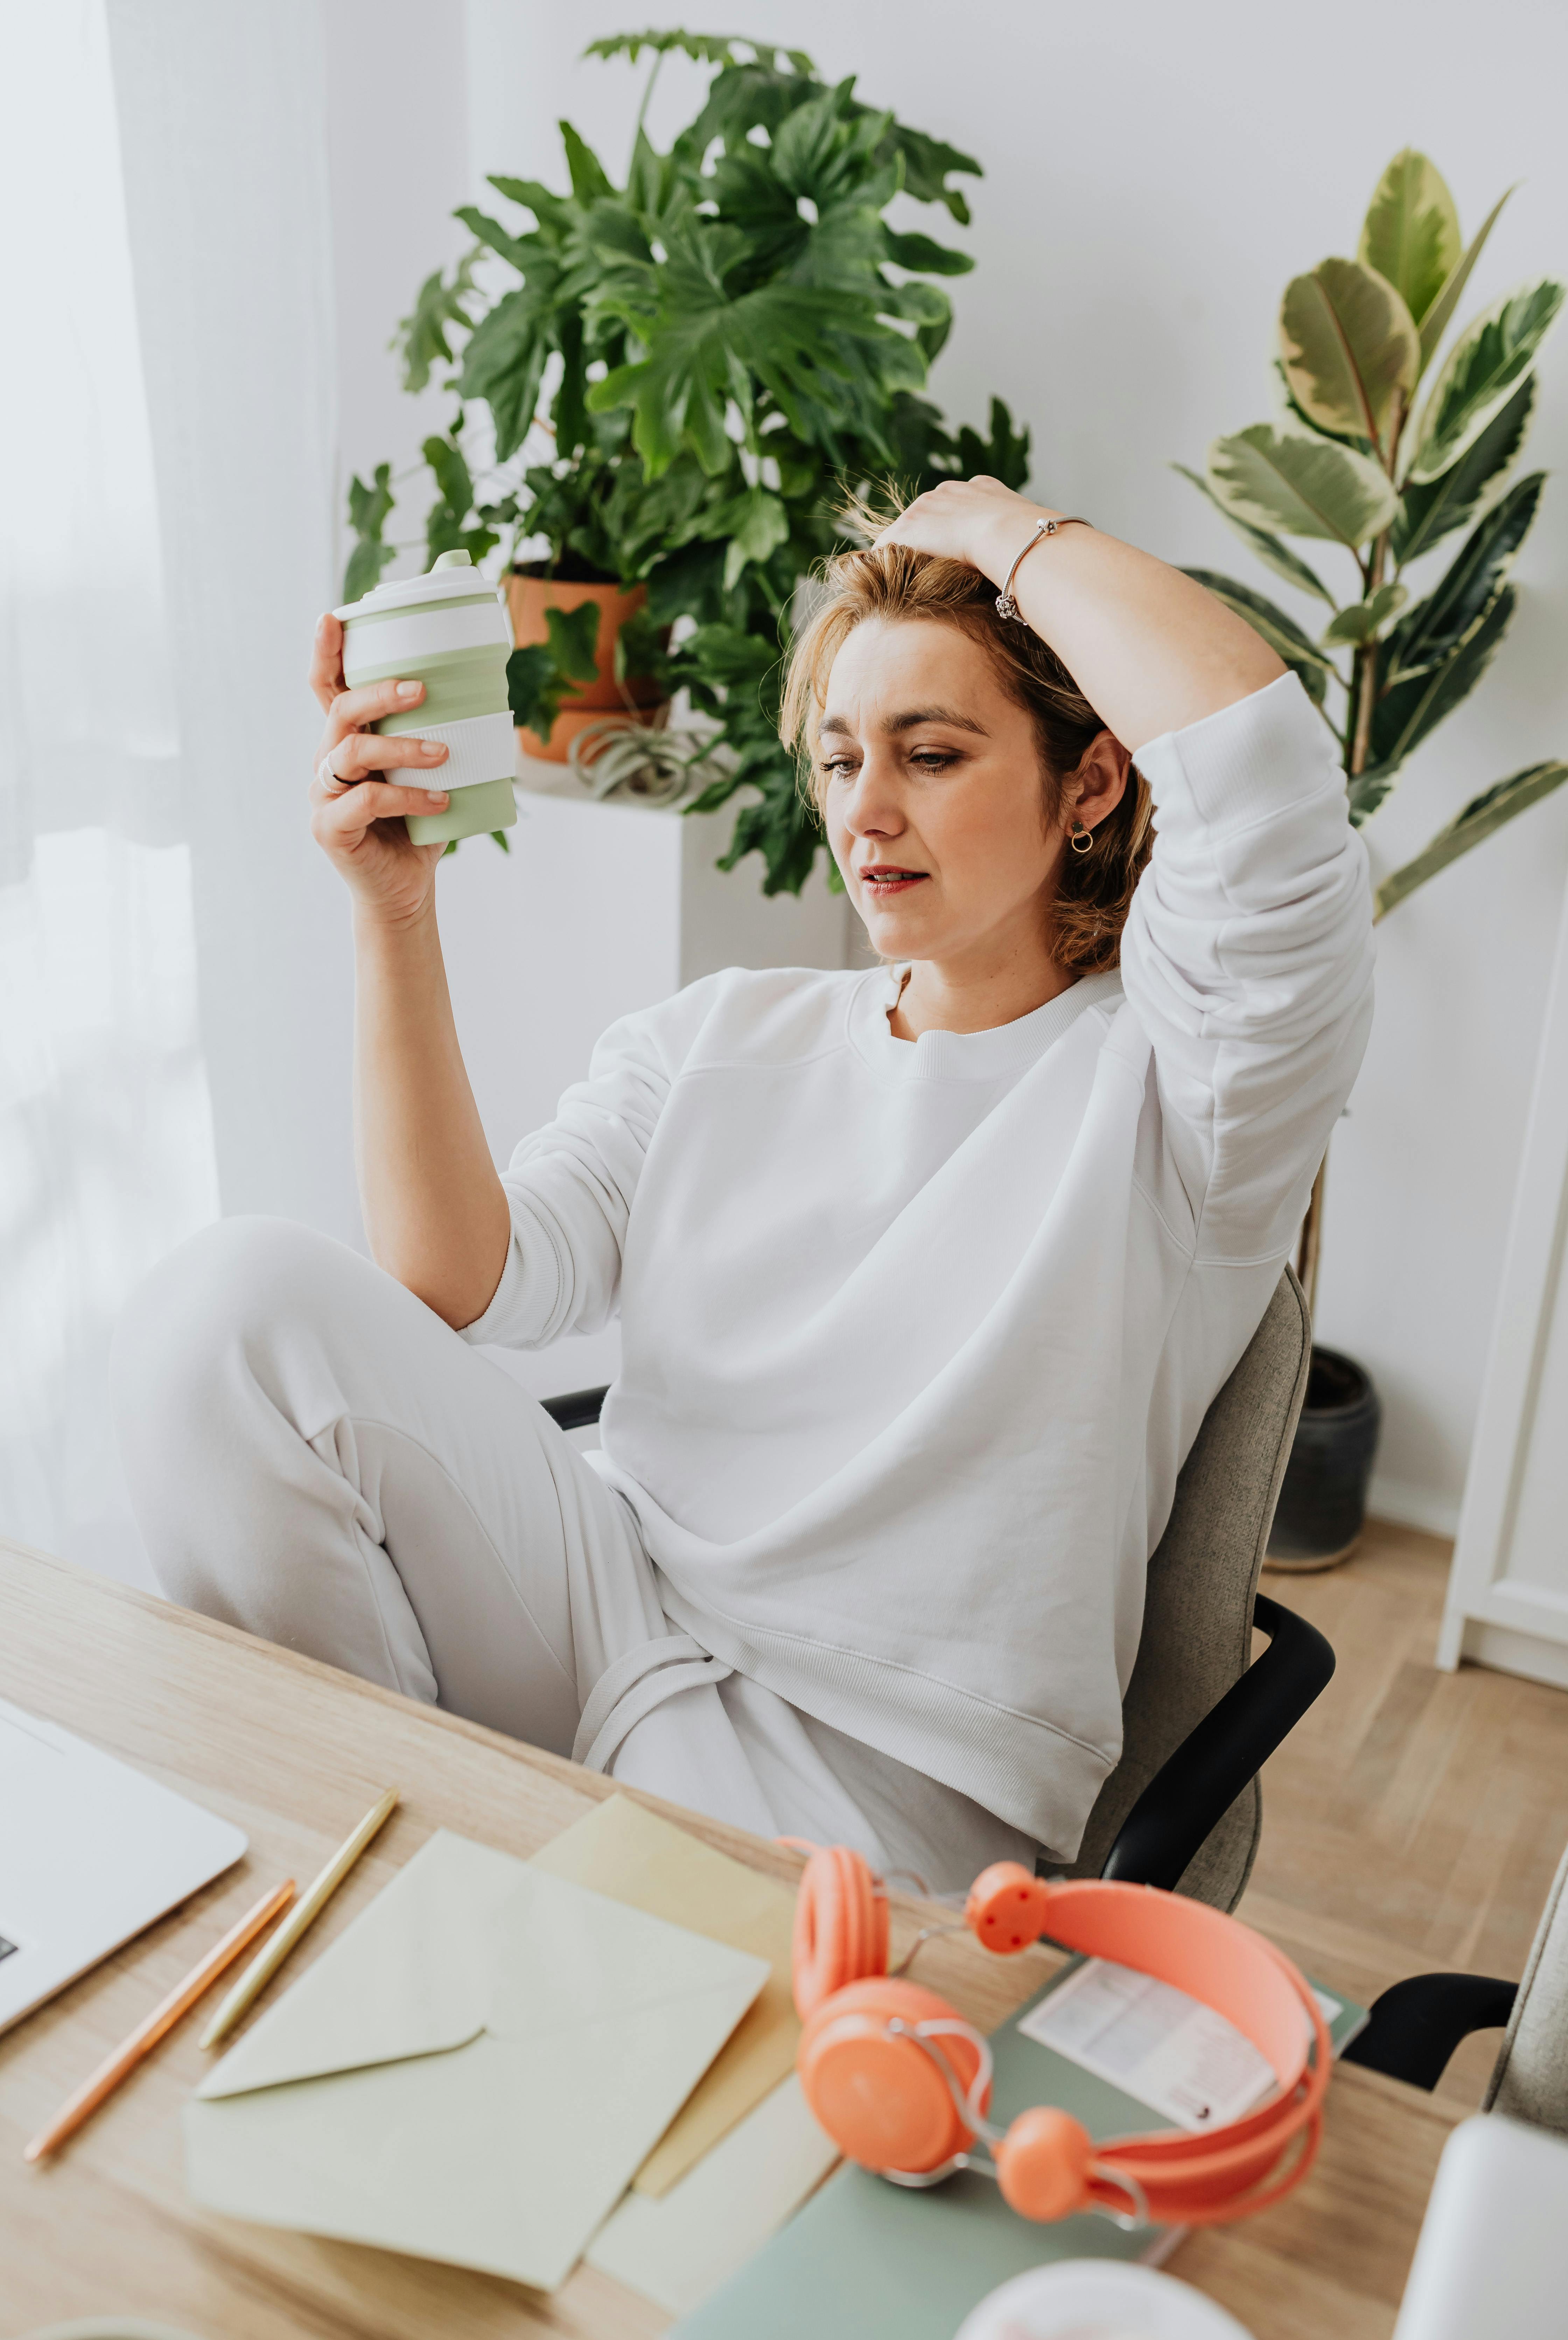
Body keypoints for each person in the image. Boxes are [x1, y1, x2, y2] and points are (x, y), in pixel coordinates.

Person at [114, 479, 1373, 1897]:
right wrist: (394, 916)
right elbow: (457, 1283)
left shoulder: (1186, 1091)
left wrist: (990, 527)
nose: (869, 811)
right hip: (610, 1605)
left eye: (934, 755)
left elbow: (1261, 774)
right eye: (840, 760)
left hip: (860, 1771)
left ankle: (441, 1881)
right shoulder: (719, 1035)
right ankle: (364, 1854)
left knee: (608, 2020)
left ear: (1087, 785)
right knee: (222, 1313)